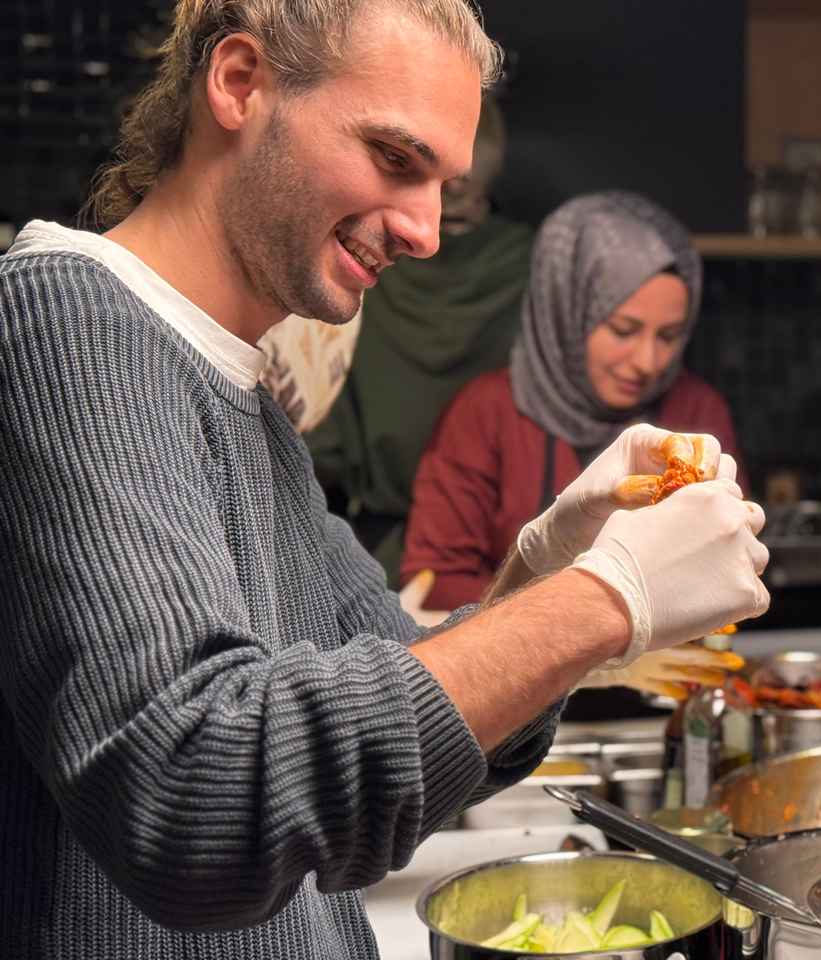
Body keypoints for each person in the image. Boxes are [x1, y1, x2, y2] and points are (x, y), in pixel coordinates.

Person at [0, 2, 768, 958]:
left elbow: (436, 730)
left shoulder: (243, 400)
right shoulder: (70, 325)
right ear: (239, 84)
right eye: (397, 160)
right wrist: (604, 600)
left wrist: (544, 566)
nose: (426, 231)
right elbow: (197, 797)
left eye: (442, 183)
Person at [401, 191, 742, 610]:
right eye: (623, 330)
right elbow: (434, 581)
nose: (647, 362)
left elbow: (721, 568)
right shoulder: (485, 413)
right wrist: (582, 623)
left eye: (668, 336)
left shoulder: (695, 414)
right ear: (565, 313)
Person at [305, 100, 535, 582]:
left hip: (390, 545)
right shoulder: (534, 263)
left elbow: (324, 441)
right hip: (474, 554)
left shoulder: (356, 258)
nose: (440, 218)